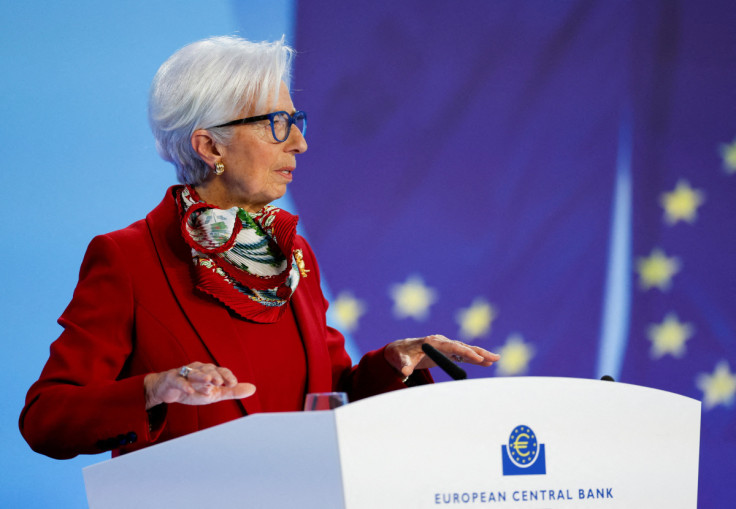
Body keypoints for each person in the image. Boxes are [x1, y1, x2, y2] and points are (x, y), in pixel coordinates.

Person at [19, 36, 499, 460]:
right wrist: (151, 389)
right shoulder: (128, 258)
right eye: (276, 123)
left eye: (295, 120)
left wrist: (393, 364)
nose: (299, 142)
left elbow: (331, 396)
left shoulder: (294, 256)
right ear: (210, 148)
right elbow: (46, 420)